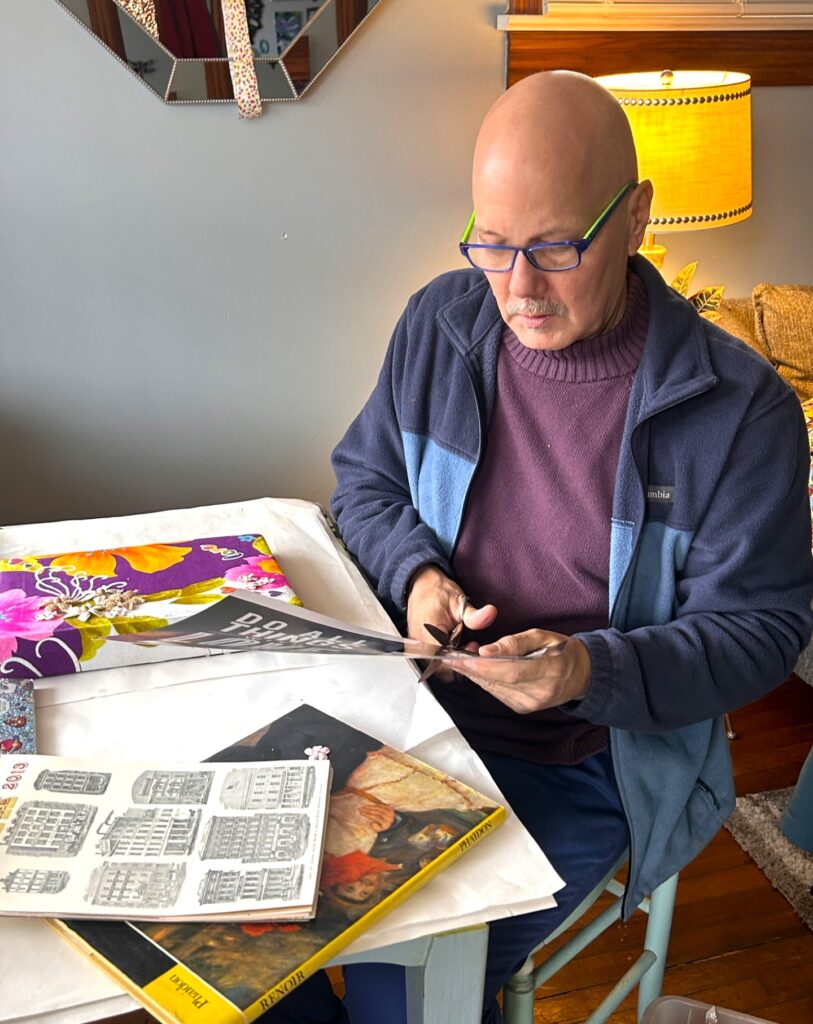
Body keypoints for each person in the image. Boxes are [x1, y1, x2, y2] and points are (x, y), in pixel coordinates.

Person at [268, 70, 813, 1023]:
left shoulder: (738, 409)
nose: (518, 287)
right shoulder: (440, 324)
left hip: (587, 757)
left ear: (635, 217)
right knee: (241, 925)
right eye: (492, 243)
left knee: (406, 986)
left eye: (557, 247)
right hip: (410, 714)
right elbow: (364, 485)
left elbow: (761, 631)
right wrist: (418, 575)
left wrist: (583, 670)